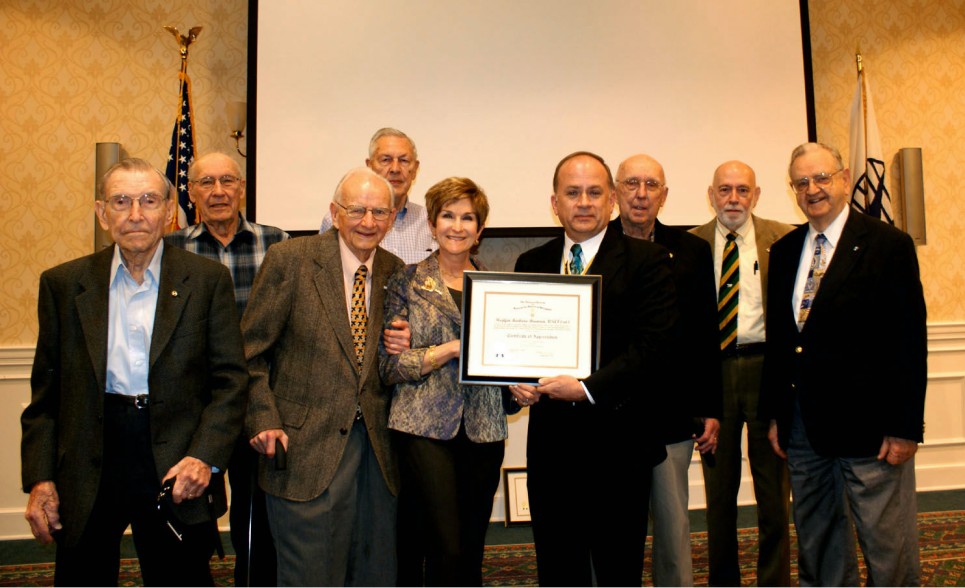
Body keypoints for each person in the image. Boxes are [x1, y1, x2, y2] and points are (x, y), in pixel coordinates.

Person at [21, 158, 248, 585]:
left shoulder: (206, 280)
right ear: (102, 213)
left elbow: (230, 383)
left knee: (180, 578)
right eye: (121, 201)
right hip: (92, 451)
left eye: (148, 200)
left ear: (168, 211)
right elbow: (46, 394)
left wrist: (205, 456)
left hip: (176, 456)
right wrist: (40, 477)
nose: (136, 214)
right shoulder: (64, 284)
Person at [762, 142, 927, 586]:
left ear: (844, 176)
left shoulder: (887, 245)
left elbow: (909, 340)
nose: (813, 189)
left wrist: (906, 425)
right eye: (802, 182)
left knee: (886, 545)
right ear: (792, 189)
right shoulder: (784, 250)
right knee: (818, 543)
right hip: (803, 430)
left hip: (872, 429)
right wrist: (779, 414)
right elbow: (782, 342)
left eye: (821, 178)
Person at [510, 151, 677, 586]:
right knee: (557, 567)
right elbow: (518, 347)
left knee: (617, 568)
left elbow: (652, 350)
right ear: (555, 203)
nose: (583, 202)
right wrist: (518, 382)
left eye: (593, 193)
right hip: (551, 450)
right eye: (572, 193)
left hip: (619, 447)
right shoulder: (531, 263)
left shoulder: (648, 261)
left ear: (611, 201)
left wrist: (585, 388)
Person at [244, 167, 405, 586]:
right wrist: (264, 419)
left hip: (376, 451)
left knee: (375, 573)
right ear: (335, 213)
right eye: (357, 210)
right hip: (303, 447)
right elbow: (249, 354)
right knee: (310, 576)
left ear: (392, 217)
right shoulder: (290, 261)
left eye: (379, 212)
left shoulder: (396, 270)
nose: (368, 222)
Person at [379, 177, 518, 586]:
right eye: (448, 216)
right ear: (433, 224)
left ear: (480, 230)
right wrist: (450, 350)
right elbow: (390, 368)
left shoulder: (499, 287)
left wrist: (521, 386)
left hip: (484, 429)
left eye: (468, 218)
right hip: (422, 428)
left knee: (471, 544)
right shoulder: (405, 281)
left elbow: (506, 366)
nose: (457, 226)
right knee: (444, 544)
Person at [165, 152, 289, 586]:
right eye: (206, 183)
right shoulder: (172, 248)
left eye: (227, 181)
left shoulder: (278, 243)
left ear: (241, 188)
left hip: (259, 397)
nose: (218, 192)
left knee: (257, 516)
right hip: (197, 407)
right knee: (194, 510)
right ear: (192, 192)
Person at [614, 154, 722, 586]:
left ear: (665, 195)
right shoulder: (598, 249)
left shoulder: (694, 252)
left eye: (652, 185)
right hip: (612, 415)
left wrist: (710, 407)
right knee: (614, 529)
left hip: (672, 415)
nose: (641, 195)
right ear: (615, 191)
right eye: (632, 184)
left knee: (673, 529)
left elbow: (705, 337)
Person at [690, 160, 793, 586]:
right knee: (719, 493)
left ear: (756, 195)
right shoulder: (692, 245)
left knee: (774, 494)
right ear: (711, 195)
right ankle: (723, 581)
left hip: (766, 369)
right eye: (725, 190)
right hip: (714, 373)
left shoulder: (783, 240)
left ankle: (774, 581)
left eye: (743, 190)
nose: (734, 198)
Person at [321, 128, 437, 264]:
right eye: (386, 160)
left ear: (415, 169)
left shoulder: (429, 222)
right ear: (369, 166)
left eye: (404, 160)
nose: (395, 169)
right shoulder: (340, 218)